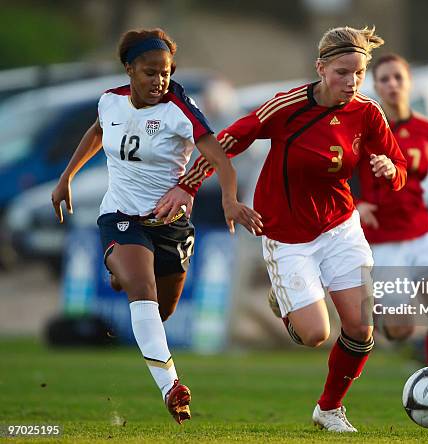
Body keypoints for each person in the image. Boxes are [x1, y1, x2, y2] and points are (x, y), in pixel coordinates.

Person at [165, 26, 408, 432]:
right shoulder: (288, 105)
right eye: (342, 73)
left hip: (340, 229)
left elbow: (399, 169)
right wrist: (186, 185)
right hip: (288, 236)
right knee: (315, 334)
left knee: (360, 328)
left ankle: (329, 409)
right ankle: (287, 303)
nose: (350, 83)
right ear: (321, 68)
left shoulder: (367, 112)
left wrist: (390, 169)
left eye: (359, 75)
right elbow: (228, 140)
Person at [50, 28, 261, 424]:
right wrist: (66, 178)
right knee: (141, 288)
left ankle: (121, 274)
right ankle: (172, 387)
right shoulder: (109, 102)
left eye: (165, 73)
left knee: (160, 312)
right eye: (150, 72)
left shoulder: (178, 110)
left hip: (171, 227)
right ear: (129, 69)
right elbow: (98, 131)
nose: (159, 81)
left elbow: (221, 159)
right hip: (122, 217)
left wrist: (230, 199)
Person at [353, 53, 428, 367]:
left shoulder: (426, 129)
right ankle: (381, 316)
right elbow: (340, 172)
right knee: (400, 329)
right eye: (385, 79)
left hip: (422, 232)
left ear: (409, 83)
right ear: (376, 87)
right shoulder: (365, 129)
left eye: (398, 77)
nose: (392, 84)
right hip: (382, 239)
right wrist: (357, 202)